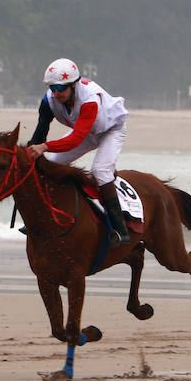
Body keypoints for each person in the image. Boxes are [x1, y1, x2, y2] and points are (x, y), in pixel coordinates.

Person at [25, 57, 132, 246]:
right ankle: (43, 216)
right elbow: (39, 135)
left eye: (61, 88)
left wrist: (45, 146)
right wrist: (27, 154)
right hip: (88, 132)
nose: (57, 93)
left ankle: (120, 230)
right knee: (51, 166)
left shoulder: (89, 101)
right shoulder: (48, 102)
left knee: (100, 170)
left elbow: (75, 139)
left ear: (74, 85)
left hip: (111, 130)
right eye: (52, 88)